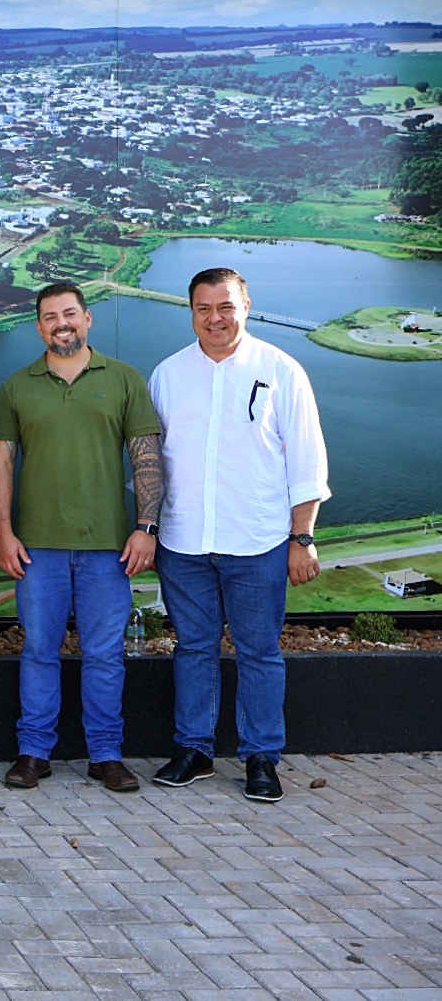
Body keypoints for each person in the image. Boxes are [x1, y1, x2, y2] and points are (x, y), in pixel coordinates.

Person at [149, 268, 330, 802]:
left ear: (246, 307)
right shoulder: (167, 375)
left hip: (258, 542)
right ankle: (195, 750)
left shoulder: (281, 370)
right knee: (192, 648)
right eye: (203, 308)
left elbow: (307, 462)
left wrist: (302, 538)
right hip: (184, 543)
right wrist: (149, 527)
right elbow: (151, 463)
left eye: (225, 306)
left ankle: (261, 758)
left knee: (259, 652)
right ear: (191, 313)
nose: (215, 318)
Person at [0, 282, 163, 794]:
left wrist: (146, 527)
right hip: (36, 548)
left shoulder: (124, 379)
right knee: (38, 650)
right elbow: (1, 461)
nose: (60, 323)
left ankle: (106, 755)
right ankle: (34, 752)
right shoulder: (17, 386)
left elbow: (146, 456)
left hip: (108, 548)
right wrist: (3, 531)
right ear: (38, 326)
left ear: (87, 318)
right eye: (49, 317)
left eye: (69, 313)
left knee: (105, 655)